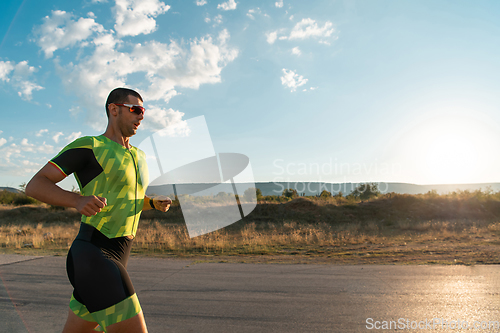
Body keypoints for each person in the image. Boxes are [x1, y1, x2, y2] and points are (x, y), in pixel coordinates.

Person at [26, 87, 171, 333]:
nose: (141, 116)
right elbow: (35, 184)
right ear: (114, 110)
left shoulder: (140, 156)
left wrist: (150, 203)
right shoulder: (91, 146)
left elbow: (126, 196)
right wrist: (76, 200)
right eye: (135, 109)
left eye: (143, 111)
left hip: (120, 254)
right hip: (94, 254)